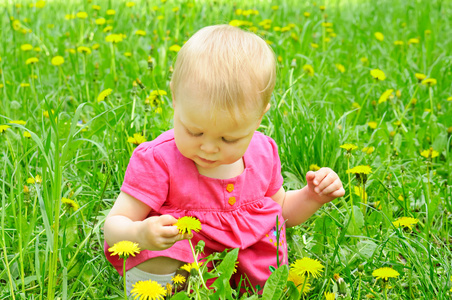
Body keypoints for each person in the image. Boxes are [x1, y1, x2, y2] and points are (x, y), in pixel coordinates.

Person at [104, 24, 345, 293]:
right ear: (174, 97)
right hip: (185, 265)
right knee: (163, 258)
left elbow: (281, 213)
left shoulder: (264, 154)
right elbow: (114, 226)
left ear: (260, 117)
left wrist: (313, 196)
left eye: (228, 139)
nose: (208, 148)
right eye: (194, 131)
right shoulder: (159, 160)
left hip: (246, 269)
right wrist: (141, 234)